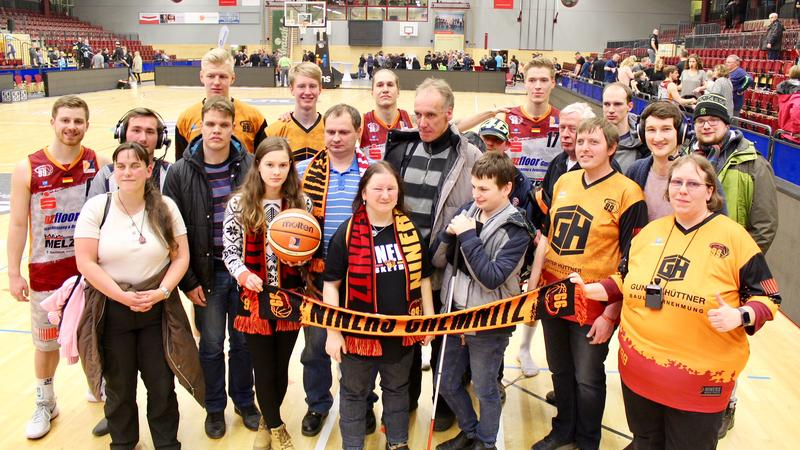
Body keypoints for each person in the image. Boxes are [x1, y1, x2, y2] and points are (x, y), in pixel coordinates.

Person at [572, 154, 780, 450]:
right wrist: (592, 290)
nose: (682, 190)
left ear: (710, 191)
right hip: (639, 375)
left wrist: (741, 315)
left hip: (698, 383)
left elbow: (768, 296)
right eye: (677, 182)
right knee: (645, 442)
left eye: (693, 184)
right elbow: (624, 279)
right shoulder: (649, 233)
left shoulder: (734, 238)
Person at [529, 117, 648, 450]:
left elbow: (631, 263)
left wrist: (610, 314)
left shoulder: (628, 193)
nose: (584, 148)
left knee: (587, 378)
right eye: (581, 141)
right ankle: (563, 429)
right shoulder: (564, 181)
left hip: (593, 303)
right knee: (560, 370)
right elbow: (547, 237)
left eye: (594, 142)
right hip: (553, 295)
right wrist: (534, 286)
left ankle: (587, 440)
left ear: (612, 148)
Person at [75, 142, 202, 450]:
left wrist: (162, 291)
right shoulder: (98, 208)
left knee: (161, 384)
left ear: (149, 170)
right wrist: (121, 296)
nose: (127, 172)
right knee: (119, 386)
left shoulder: (166, 207)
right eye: (121, 166)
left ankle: (166, 444)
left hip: (157, 310)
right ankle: (123, 443)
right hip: (112, 309)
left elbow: (181, 257)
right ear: (114, 171)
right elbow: (85, 262)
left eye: (135, 166)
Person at [384, 78, 482, 431]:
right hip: (402, 268)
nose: (422, 122)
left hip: (446, 270)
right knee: (404, 343)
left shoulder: (471, 158)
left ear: (449, 114)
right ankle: (406, 399)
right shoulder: (399, 150)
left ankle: (443, 404)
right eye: (418, 114)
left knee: (445, 344)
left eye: (431, 115)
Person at [7, 96, 105, 440]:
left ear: (87, 125)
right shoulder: (28, 168)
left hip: (90, 272)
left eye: (78, 121)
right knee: (46, 344)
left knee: (96, 336)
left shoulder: (99, 163)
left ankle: (98, 384)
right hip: (46, 271)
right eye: (65, 120)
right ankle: (45, 401)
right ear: (53, 122)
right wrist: (13, 273)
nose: (71, 127)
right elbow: (17, 224)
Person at [163, 97, 260, 439]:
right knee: (211, 344)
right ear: (200, 126)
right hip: (207, 276)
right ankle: (214, 407)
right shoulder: (179, 172)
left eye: (223, 125)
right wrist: (188, 281)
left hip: (245, 273)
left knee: (244, 343)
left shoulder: (251, 165)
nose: (216, 130)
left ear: (233, 127)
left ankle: (244, 401)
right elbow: (170, 231)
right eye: (210, 124)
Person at [324, 161, 435, 450]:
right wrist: (333, 333)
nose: (385, 195)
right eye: (377, 189)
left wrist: (429, 320)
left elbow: (424, 279)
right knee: (353, 394)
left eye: (391, 189)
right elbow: (331, 285)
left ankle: (397, 443)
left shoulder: (409, 230)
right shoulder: (346, 233)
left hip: (400, 333)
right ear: (364, 193)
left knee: (397, 390)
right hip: (358, 336)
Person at [431, 152, 533, 450]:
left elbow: (491, 277)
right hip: (455, 314)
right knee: (446, 382)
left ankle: (486, 443)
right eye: (474, 186)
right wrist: (448, 236)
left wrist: (466, 236)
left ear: (506, 188)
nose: (476, 194)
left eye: (484, 189)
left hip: (489, 321)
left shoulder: (517, 229)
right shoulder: (468, 210)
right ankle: (470, 431)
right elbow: (437, 261)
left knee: (486, 388)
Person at [223, 137, 311, 450]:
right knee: (263, 367)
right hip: (254, 299)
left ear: (291, 167)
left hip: (290, 296)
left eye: (283, 165)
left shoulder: (302, 203)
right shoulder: (239, 204)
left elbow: (309, 249)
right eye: (270, 164)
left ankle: (266, 423)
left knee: (280, 367)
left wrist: (301, 260)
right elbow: (230, 251)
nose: (276, 171)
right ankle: (277, 428)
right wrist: (243, 274)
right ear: (257, 165)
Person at [295, 104, 373, 437]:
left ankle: (364, 402)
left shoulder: (372, 172)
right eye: (330, 131)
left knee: (360, 347)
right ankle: (317, 404)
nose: (336, 138)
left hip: (360, 275)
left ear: (358, 133)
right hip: (316, 277)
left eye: (343, 132)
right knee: (315, 348)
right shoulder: (302, 171)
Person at [689, 93, 778, 254]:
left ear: (726, 124)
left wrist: (740, 261)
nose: (706, 126)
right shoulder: (686, 159)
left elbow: (764, 226)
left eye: (713, 120)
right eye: (700, 121)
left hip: (730, 258)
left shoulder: (754, 164)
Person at [174, 48, 268, 159]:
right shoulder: (186, 119)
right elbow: (181, 164)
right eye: (211, 76)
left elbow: (265, 161)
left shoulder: (254, 117)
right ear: (201, 77)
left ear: (232, 78)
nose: (216, 82)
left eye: (223, 76)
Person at [89, 108, 172, 198]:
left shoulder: (171, 173)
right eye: (136, 130)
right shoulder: (106, 176)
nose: (143, 138)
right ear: (123, 134)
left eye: (149, 132)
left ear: (160, 139)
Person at [625, 101, 686, 222]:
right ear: (642, 134)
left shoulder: (700, 175)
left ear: (680, 133)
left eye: (666, 129)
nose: (658, 138)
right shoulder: (634, 171)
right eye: (651, 130)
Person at [267, 62, 326, 163]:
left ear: (320, 89)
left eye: (312, 86)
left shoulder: (331, 130)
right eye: (301, 86)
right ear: (292, 89)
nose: (307, 92)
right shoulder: (273, 132)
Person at [360, 69, 414, 160]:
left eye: (390, 85)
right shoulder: (361, 123)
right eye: (380, 85)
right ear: (372, 92)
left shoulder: (412, 121)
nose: (385, 89)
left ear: (398, 91)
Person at [602, 82, 647, 172]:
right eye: (606, 104)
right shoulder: (592, 137)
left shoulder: (645, 139)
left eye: (617, 104)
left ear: (630, 106)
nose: (611, 110)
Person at [776, 65, 800, 143]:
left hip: (785, 131)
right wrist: (797, 131)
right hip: (795, 136)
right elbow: (796, 111)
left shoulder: (783, 89)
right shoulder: (798, 92)